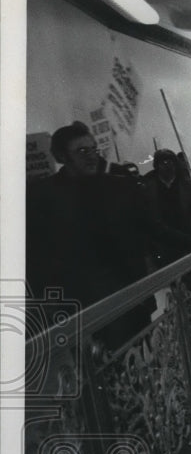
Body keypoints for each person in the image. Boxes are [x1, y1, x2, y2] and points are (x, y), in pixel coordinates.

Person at [25, 121, 156, 347]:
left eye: (94, 149)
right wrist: (47, 302)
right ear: (61, 157)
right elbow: (34, 255)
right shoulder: (41, 196)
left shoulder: (117, 186)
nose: (92, 156)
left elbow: (150, 226)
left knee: (139, 359)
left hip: (127, 293)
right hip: (79, 303)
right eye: (82, 151)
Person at [142, 148, 191, 269]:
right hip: (164, 244)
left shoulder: (187, 185)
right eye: (163, 163)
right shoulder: (149, 188)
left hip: (188, 240)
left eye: (170, 162)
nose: (167, 166)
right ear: (157, 166)